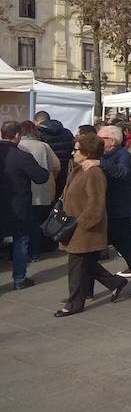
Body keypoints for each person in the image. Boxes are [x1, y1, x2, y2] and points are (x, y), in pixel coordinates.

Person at [55, 132, 130, 316]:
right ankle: (115, 282)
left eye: (76, 150)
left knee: (76, 267)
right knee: (85, 265)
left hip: (84, 229)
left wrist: (81, 224)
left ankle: (74, 303)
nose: (73, 153)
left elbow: (95, 205)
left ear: (87, 152)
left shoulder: (94, 173)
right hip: (74, 226)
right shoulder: (79, 169)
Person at [89, 125, 131, 295]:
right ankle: (84, 291)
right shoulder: (103, 155)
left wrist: (100, 163)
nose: (97, 141)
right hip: (106, 211)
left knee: (128, 250)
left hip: (118, 212)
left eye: (101, 139)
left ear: (112, 141)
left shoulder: (123, 156)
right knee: (89, 253)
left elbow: (123, 173)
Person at [0, 121, 49, 289]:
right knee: (20, 240)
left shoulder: (16, 155)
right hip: (18, 206)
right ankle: (19, 279)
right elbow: (41, 177)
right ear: (17, 136)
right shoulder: (21, 156)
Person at [17, 120, 60, 261]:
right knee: (35, 223)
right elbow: (56, 166)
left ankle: (20, 255)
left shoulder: (17, 146)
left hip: (20, 193)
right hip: (41, 190)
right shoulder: (44, 146)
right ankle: (35, 252)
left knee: (21, 226)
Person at [34, 110, 74, 200]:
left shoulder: (38, 133)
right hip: (64, 171)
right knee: (59, 199)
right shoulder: (66, 132)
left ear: (37, 121)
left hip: (47, 171)